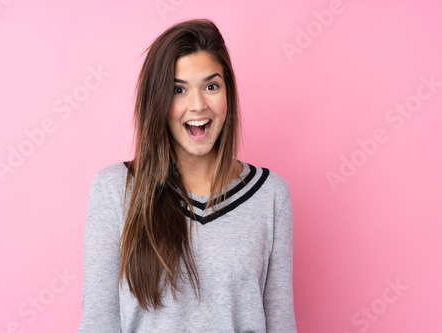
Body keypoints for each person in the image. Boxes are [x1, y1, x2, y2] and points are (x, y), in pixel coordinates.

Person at [78, 18, 297, 332]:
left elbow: (280, 323)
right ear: (158, 102)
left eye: (211, 86)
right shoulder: (115, 189)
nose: (197, 105)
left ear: (228, 93)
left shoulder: (271, 194)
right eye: (178, 90)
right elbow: (100, 323)